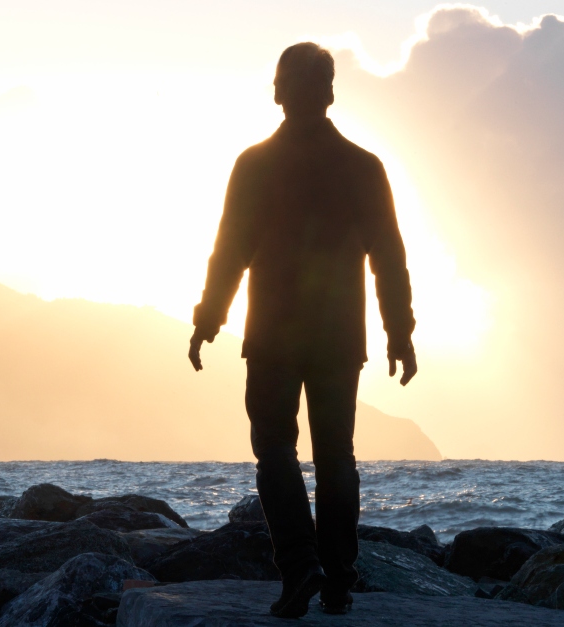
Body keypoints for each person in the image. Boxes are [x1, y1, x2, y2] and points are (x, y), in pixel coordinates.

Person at [188, 42, 416, 618]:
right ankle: (338, 578)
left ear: (278, 91)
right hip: (340, 336)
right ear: (330, 91)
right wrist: (399, 331)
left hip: (272, 334)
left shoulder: (255, 163)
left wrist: (209, 319)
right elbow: (389, 256)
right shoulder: (364, 166)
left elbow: (229, 252)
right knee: (336, 456)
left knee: (275, 452)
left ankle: (300, 570)